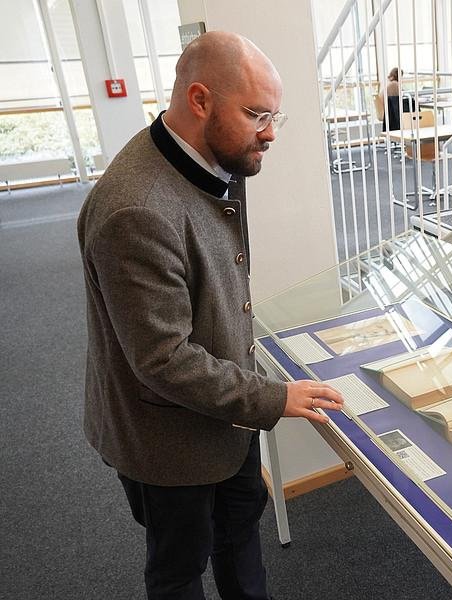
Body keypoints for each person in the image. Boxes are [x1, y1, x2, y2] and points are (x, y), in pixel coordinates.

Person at [77, 31, 343, 600]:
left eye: (275, 115)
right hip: (166, 441)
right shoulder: (136, 209)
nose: (270, 133)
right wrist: (275, 398)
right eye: (256, 114)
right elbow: (164, 359)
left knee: (240, 535)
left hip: (226, 413)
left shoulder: (211, 157)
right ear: (199, 100)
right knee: (179, 568)